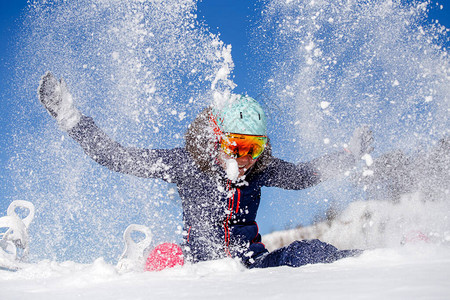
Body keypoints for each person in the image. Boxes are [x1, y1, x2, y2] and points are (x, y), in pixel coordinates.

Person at [38, 71, 373, 269]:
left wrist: (351, 155)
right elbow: (118, 157)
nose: (244, 158)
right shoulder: (187, 164)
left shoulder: (259, 170)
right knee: (167, 256)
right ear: (217, 140)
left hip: (252, 267)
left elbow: (302, 176)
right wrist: (70, 119)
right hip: (203, 271)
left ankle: (375, 263)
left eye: (253, 148)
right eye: (236, 146)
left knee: (308, 249)